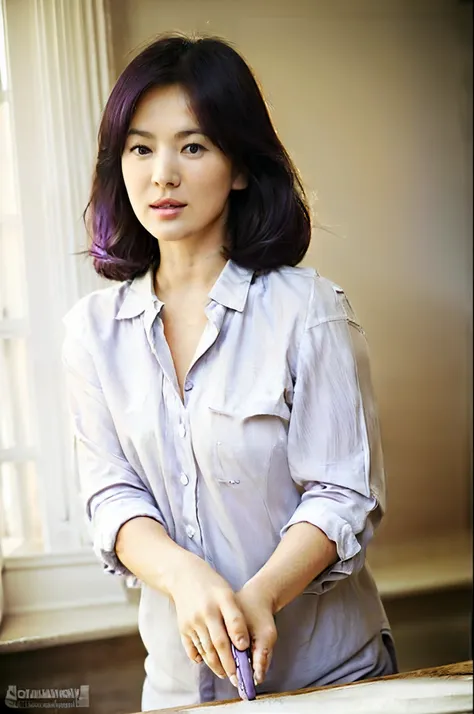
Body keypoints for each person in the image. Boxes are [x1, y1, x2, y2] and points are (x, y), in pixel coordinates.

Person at [62, 32, 398, 711]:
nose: (161, 174)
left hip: (330, 681)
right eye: (140, 147)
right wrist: (186, 578)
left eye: (192, 146)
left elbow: (341, 494)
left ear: (240, 166)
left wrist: (260, 595)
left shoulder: (310, 311)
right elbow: (112, 497)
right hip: (180, 690)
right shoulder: (90, 332)